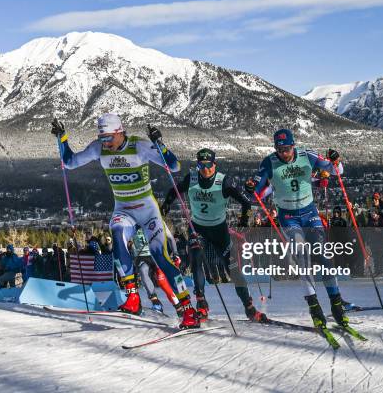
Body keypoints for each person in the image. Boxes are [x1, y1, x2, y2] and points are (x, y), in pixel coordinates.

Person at [52, 114, 198, 328]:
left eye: (109, 138)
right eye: (102, 138)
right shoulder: (99, 148)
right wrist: (62, 138)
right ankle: (132, 298)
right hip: (124, 209)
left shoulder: (139, 146)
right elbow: (70, 163)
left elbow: (174, 166)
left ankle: (188, 310)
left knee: (160, 255)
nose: (106, 143)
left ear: (120, 132)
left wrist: (160, 144)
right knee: (118, 236)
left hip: (148, 210)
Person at [248, 128, 352, 330]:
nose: (283, 153)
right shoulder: (269, 162)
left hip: (309, 212)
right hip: (288, 216)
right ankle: (314, 307)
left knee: (321, 255)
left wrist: (336, 161)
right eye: (279, 149)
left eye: (286, 148)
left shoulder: (307, 156)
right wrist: (252, 187)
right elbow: (258, 190)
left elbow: (336, 172)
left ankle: (337, 303)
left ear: (293, 146)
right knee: (301, 255)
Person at [162, 148, 267, 323]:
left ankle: (249, 307)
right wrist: (166, 203)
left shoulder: (223, 181)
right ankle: (201, 304)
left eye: (209, 165)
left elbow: (246, 202)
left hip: (219, 231)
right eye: (201, 165)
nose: (205, 169)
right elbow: (175, 190)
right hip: (197, 228)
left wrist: (243, 221)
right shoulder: (192, 178)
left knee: (232, 269)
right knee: (196, 259)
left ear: (214, 164)